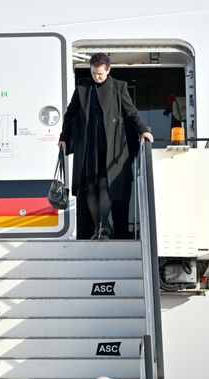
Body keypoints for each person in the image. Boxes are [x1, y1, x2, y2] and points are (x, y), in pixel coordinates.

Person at [59, 52, 153, 240]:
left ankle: (102, 226)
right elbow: (70, 114)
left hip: (112, 144)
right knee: (91, 185)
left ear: (108, 70)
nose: (97, 77)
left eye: (100, 74)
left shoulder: (119, 87)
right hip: (88, 145)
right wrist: (64, 137)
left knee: (106, 183)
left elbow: (131, 112)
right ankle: (100, 226)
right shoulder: (83, 87)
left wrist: (143, 129)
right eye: (94, 73)